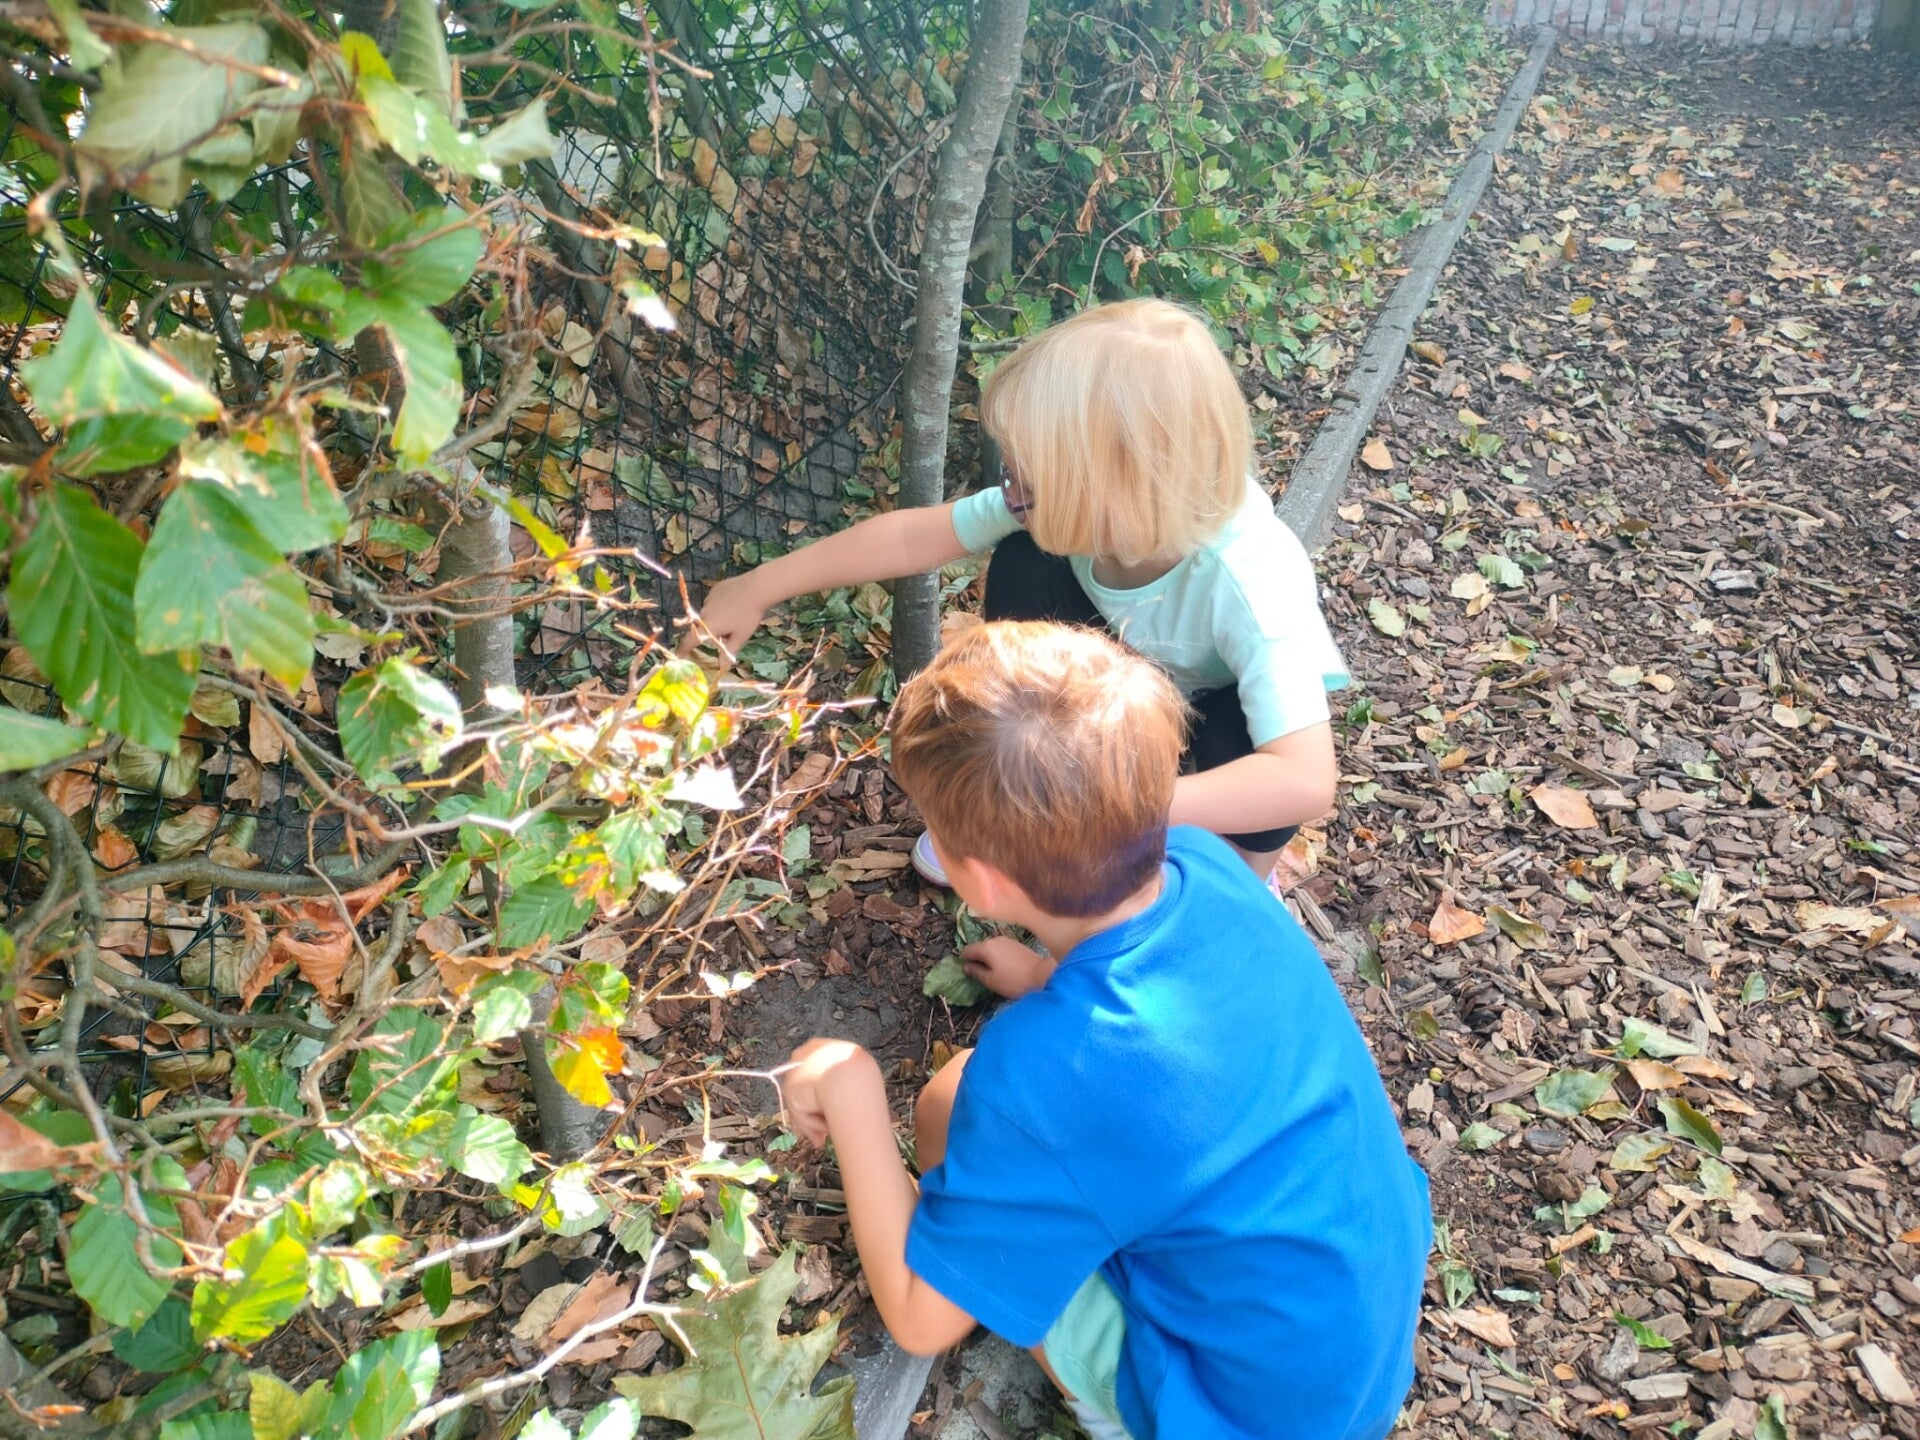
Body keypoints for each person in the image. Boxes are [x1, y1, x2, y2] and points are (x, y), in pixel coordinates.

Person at [779, 622, 1431, 1440]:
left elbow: (917, 1322)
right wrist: (1047, 978)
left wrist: (852, 1089)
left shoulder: (1040, 1075)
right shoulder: (1209, 864)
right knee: (956, 1103)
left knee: (948, 1112)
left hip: (1241, 1416)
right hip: (1349, 1345)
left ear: (977, 881)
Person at [688, 297, 1347, 893]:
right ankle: (1020, 797)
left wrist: (1126, 808)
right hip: (1125, 673)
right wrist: (758, 586)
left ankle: (1234, 887)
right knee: (1025, 561)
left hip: (1211, 702)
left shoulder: (1252, 585)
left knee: (1253, 779)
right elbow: (912, 537)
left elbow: (1304, 779)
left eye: (1029, 475)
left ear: (1115, 488)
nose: (1011, 487)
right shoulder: (1068, 506)